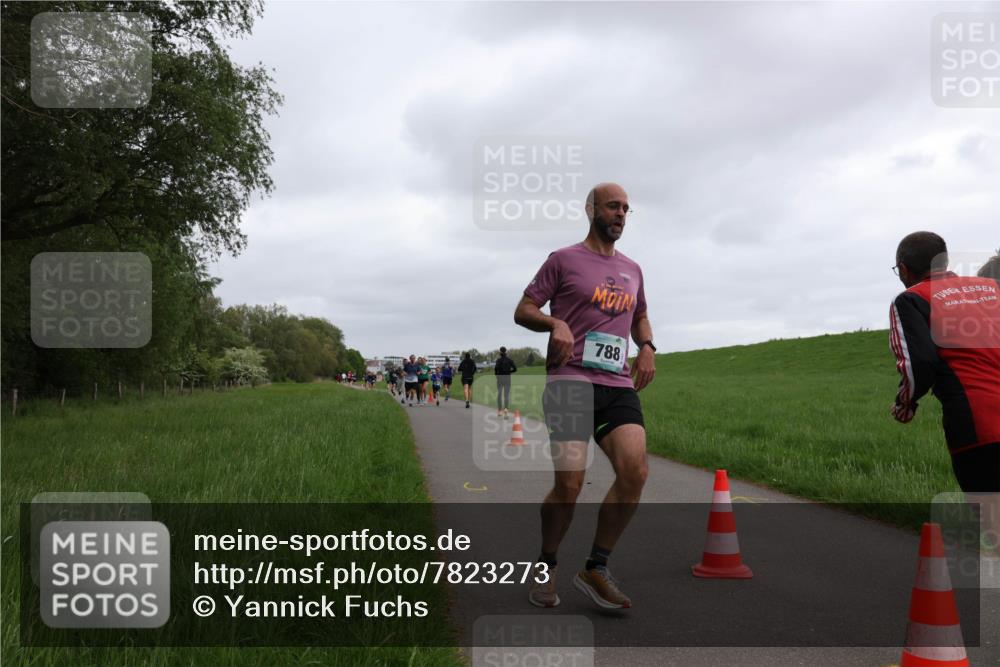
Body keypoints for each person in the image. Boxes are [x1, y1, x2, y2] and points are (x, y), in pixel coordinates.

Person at [514, 183, 655, 610]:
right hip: (570, 381)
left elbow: (641, 316)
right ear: (591, 209)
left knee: (635, 471)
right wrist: (554, 323)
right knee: (570, 484)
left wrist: (647, 346)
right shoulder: (563, 260)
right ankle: (547, 563)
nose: (621, 214)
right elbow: (524, 309)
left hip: (617, 385)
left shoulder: (633, 269)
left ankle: (596, 566)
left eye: (626, 208)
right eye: (613, 206)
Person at [889, 232, 1000, 556]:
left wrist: (905, 405)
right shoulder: (991, 288)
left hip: (980, 426)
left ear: (904, 269)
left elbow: (919, 365)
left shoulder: (911, 299)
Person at [494, 346, 518, 418]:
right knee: (506, 395)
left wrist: (497, 376)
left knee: (499, 395)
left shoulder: (498, 360)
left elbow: (496, 369)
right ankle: (506, 411)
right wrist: (509, 372)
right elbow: (515, 369)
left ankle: (499, 411)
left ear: (500, 352)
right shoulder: (509, 360)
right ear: (506, 351)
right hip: (507, 379)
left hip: (500, 379)